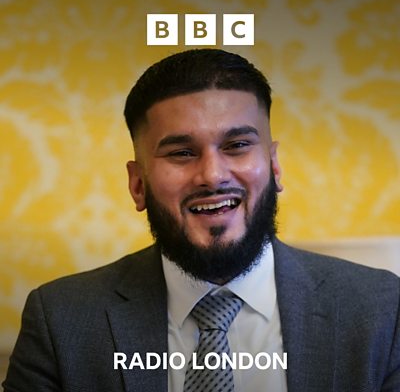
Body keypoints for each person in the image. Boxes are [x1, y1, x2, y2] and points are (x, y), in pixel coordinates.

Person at [3, 49, 399, 392]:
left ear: (275, 166)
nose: (212, 175)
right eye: (181, 153)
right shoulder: (61, 320)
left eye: (237, 145)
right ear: (138, 184)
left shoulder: (381, 310)